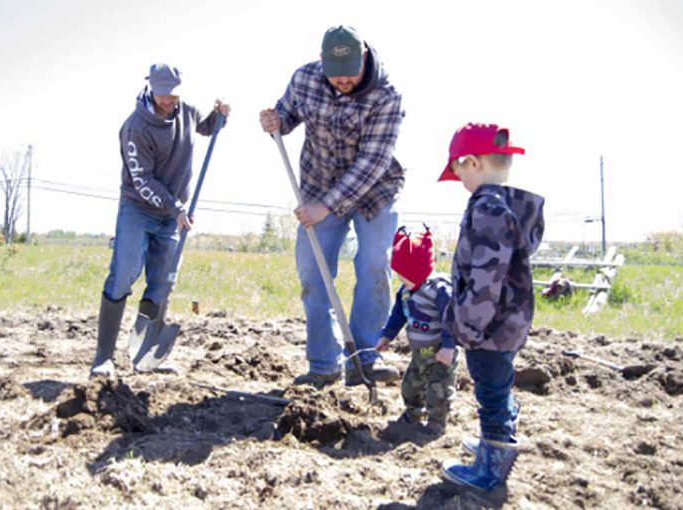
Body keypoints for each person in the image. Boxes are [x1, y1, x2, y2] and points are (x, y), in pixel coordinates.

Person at [259, 25, 405, 388]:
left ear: (365, 58)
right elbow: (288, 113)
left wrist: (327, 205)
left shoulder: (387, 95)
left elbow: (371, 163)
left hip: (374, 191)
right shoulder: (306, 78)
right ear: (321, 61)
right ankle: (323, 365)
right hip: (317, 183)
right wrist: (276, 121)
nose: (342, 79)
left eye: (350, 72)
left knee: (373, 264)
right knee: (313, 275)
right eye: (335, 72)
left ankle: (365, 358)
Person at [90, 63, 230, 378]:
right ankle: (103, 358)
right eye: (164, 95)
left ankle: (147, 354)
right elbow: (143, 182)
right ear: (151, 88)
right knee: (124, 274)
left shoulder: (186, 110)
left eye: (174, 95)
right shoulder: (135, 128)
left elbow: (207, 128)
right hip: (138, 209)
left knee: (163, 280)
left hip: (173, 213)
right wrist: (176, 208)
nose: (169, 101)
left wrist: (220, 116)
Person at [438, 123, 545, 491]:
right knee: (499, 384)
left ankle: (491, 470)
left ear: (473, 163)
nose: (458, 178)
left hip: (489, 324)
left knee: (491, 394)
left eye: (458, 170)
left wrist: (466, 326)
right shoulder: (508, 207)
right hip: (509, 322)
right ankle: (495, 442)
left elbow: (486, 277)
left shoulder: (486, 209)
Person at [374, 226, 458, 436]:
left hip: (441, 352)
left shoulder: (438, 291)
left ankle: (437, 420)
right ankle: (413, 411)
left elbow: (451, 319)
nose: (402, 280)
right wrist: (387, 336)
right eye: (399, 275)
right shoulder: (405, 291)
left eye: (406, 275)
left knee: (438, 389)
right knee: (411, 386)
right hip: (420, 353)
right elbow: (398, 315)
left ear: (420, 270)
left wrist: (449, 346)